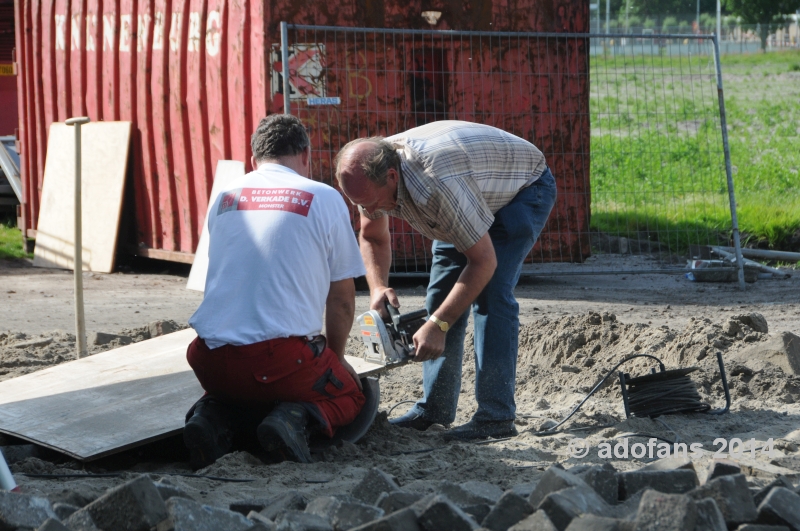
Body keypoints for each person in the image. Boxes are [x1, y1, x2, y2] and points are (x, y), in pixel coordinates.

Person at [335, 120, 556, 441]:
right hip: (469, 189)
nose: (367, 210)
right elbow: (371, 236)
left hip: (520, 189)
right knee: (440, 294)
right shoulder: (368, 177)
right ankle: (434, 409)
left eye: (370, 202)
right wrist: (378, 287)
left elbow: (483, 262)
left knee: (491, 296)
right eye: (359, 204)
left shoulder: (435, 184)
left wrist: (438, 325)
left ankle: (495, 418)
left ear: (392, 177)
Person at [184, 114, 367, 468]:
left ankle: (212, 417)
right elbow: (343, 298)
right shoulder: (324, 197)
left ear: (254, 161)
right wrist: (336, 358)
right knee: (351, 394)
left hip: (209, 359)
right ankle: (295, 419)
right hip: (279, 360)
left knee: (239, 393)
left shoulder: (224, 196)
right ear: (305, 156)